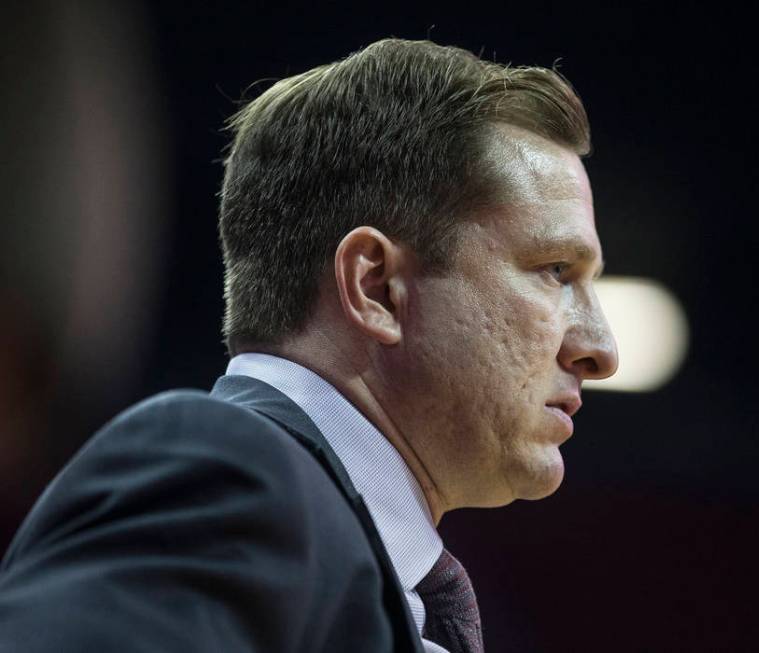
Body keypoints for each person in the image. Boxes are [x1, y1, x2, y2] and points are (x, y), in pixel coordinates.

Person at [0, 38, 617, 652]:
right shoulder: (226, 472)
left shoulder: (342, 559)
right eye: (556, 270)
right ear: (376, 288)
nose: (602, 349)